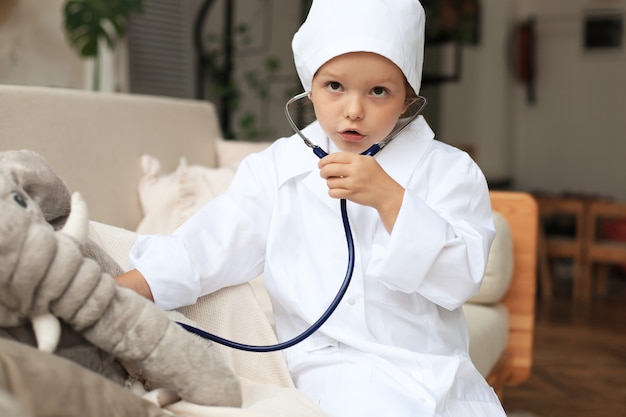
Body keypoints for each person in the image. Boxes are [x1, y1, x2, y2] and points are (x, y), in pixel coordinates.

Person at [116, 0, 507, 415]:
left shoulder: (450, 172)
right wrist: (122, 289)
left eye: (379, 91)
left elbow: (462, 278)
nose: (353, 110)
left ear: (408, 99)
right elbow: (212, 243)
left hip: (430, 375)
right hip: (322, 375)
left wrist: (390, 198)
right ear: (309, 86)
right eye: (335, 87)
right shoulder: (277, 168)